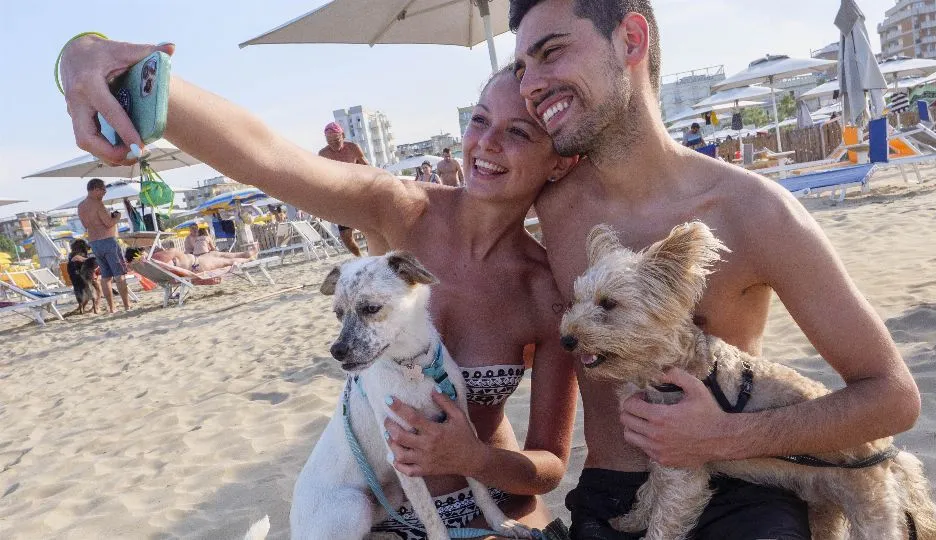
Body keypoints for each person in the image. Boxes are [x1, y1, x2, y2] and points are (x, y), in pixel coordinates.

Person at [60, 37, 579, 535]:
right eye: (480, 120)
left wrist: (474, 457)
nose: (485, 143)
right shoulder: (402, 209)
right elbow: (265, 155)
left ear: (560, 160)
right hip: (378, 506)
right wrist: (89, 54)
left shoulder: (546, 290)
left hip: (488, 506)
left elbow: (552, 464)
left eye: (518, 133)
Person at [509, 1, 921, 538]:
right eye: (521, 69)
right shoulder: (550, 206)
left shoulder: (752, 211)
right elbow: (414, 208)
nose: (530, 85)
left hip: (745, 490)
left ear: (631, 41)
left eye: (552, 52)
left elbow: (892, 396)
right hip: (614, 493)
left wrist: (722, 438)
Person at [77, 178, 132, 313]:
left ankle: (112, 308)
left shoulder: (81, 206)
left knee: (106, 276)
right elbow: (108, 223)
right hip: (107, 240)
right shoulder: (98, 204)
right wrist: (117, 217)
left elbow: (85, 225)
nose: (105, 193)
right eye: (103, 190)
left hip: (94, 242)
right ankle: (126, 305)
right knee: (119, 275)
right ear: (96, 189)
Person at [318, 121, 368, 257]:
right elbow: (321, 177)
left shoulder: (353, 148)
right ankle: (359, 258)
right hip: (341, 197)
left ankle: (372, 253)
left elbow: (367, 167)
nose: (333, 143)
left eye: (336, 139)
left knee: (369, 229)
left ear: (343, 135)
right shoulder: (323, 154)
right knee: (345, 237)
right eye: (329, 141)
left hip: (358, 192)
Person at [67, 238, 100, 310]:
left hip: (76, 280)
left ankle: (81, 307)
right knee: (97, 285)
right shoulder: (80, 256)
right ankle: (96, 305)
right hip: (84, 278)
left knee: (83, 288)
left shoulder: (71, 256)